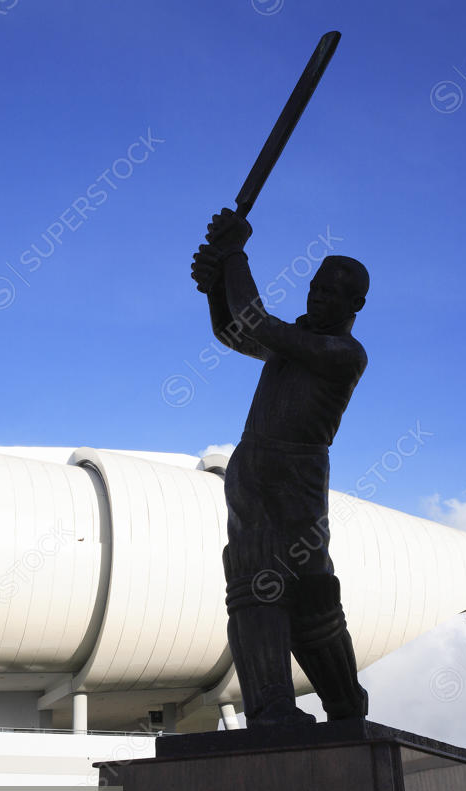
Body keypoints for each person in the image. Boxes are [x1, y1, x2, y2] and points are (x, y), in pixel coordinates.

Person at [191, 208, 370, 727]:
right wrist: (215, 284)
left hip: (297, 477)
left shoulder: (342, 352)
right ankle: (270, 708)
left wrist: (234, 254)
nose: (318, 296)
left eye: (333, 293)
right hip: (254, 469)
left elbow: (252, 322)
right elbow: (235, 331)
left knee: (311, 589)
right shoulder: (296, 342)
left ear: (355, 304)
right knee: (255, 579)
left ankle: (344, 704)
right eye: (316, 286)